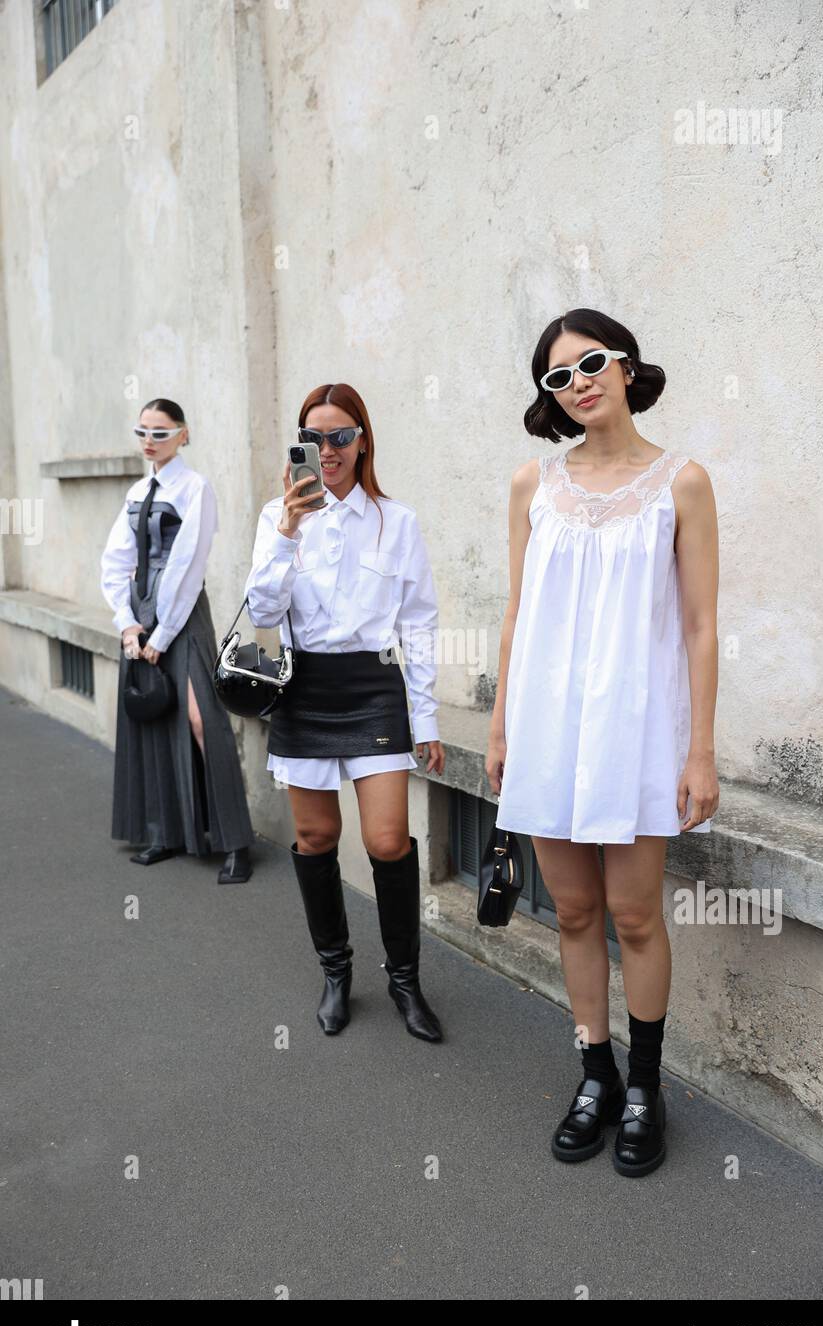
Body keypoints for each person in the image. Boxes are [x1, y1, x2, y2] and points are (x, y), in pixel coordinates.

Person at [487, 309, 720, 1176]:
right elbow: (515, 618)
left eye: (589, 363)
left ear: (625, 366)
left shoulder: (681, 483)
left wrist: (699, 750)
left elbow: (699, 625)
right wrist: (504, 725)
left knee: (634, 915)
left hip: (635, 733)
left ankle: (647, 1087)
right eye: (557, 377)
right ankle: (595, 1072)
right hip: (548, 732)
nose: (577, 382)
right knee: (574, 912)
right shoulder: (532, 486)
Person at [244, 383, 446, 1041]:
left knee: (387, 840)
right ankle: (336, 972)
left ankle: (405, 980)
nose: (326, 450)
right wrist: (286, 532)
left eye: (340, 437)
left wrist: (428, 720)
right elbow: (265, 613)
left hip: (375, 688)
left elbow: (418, 624)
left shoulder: (398, 521)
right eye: (313, 438)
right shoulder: (280, 515)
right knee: (316, 838)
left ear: (363, 441)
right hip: (306, 690)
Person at [101, 398, 254, 884]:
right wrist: (127, 623)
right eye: (142, 431)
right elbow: (115, 562)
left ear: (183, 434)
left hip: (182, 618)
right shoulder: (135, 491)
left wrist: (163, 633)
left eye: (160, 432)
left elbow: (189, 565)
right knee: (151, 712)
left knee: (201, 719)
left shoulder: (195, 488)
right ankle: (163, 831)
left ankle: (234, 842)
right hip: (139, 616)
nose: (150, 440)